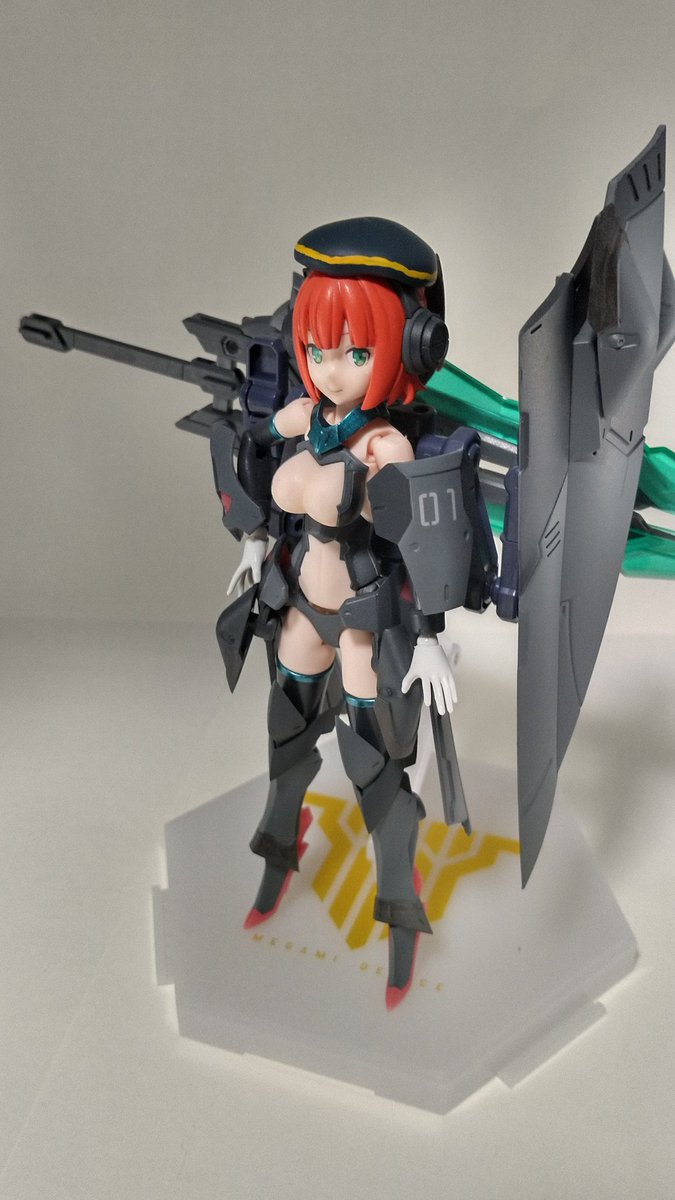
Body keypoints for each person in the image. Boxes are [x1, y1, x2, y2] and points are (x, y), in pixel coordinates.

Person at [220, 217, 468, 1008]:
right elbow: (252, 450)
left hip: (361, 616)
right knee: (286, 729)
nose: (332, 370)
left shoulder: (386, 448)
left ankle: (397, 895)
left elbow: (423, 543)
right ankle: (279, 841)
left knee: (373, 765)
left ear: (406, 349)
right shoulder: (304, 416)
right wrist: (255, 537)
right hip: (301, 600)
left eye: (356, 353)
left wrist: (427, 637)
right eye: (318, 348)